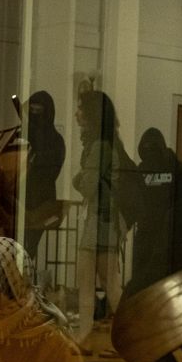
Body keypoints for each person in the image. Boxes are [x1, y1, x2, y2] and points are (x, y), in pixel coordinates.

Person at [71, 90, 134, 337]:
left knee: (91, 283)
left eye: (80, 108)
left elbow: (86, 184)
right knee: (108, 284)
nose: (77, 113)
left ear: (91, 114)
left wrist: (78, 179)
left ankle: (87, 336)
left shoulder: (98, 147)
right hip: (107, 221)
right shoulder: (108, 144)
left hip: (100, 221)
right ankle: (124, 334)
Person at [122, 127, 182, 295]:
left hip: (153, 231)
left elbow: (135, 198)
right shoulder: (176, 167)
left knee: (144, 279)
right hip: (166, 232)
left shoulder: (143, 168)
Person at [20, 90, 66, 260]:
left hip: (40, 203)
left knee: (27, 250)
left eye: (38, 111)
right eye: (32, 111)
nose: (34, 116)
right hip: (23, 201)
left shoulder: (55, 141)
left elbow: (51, 171)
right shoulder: (24, 135)